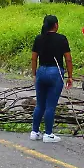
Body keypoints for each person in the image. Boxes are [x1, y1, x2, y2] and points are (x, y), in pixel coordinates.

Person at [29, 15, 73, 143]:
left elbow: (33, 58)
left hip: (41, 71)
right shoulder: (62, 39)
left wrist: (34, 74)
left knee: (40, 104)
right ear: (56, 25)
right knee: (50, 105)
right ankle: (48, 134)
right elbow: (68, 59)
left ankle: (35, 131)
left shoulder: (39, 38)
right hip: (55, 72)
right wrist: (70, 76)